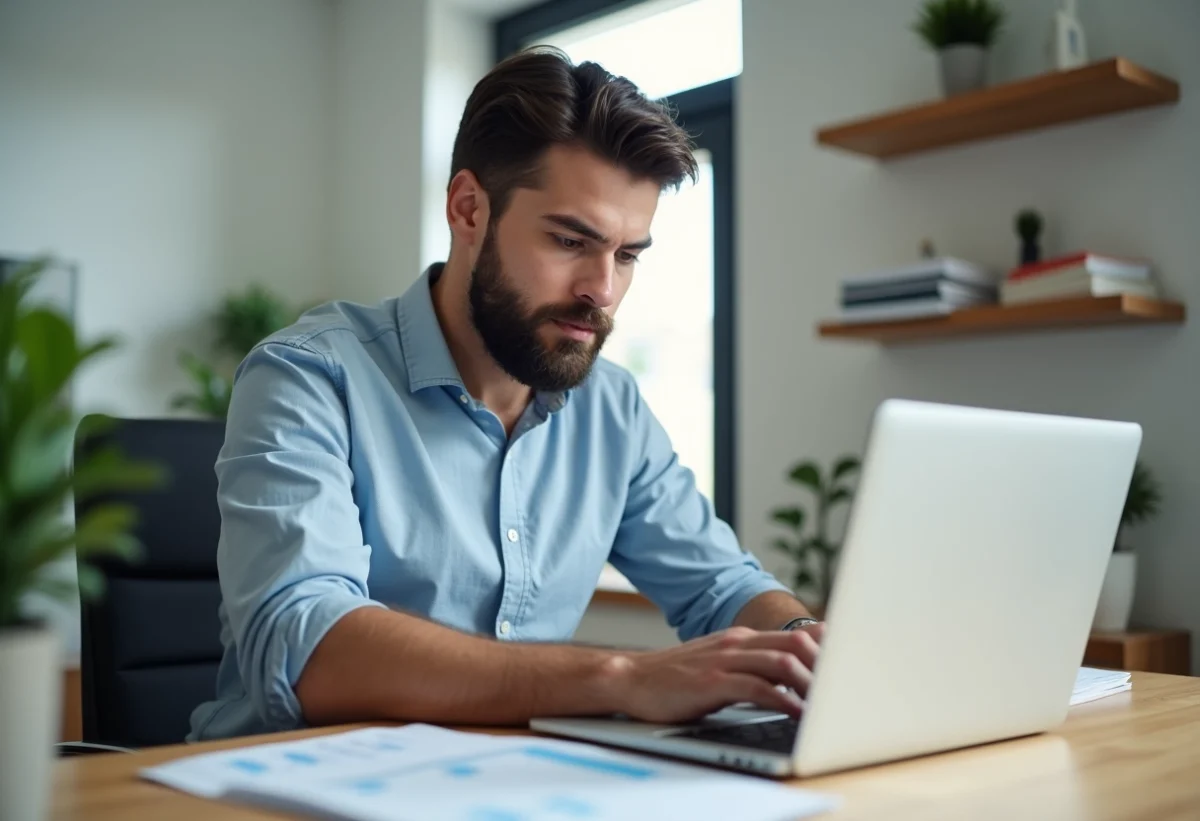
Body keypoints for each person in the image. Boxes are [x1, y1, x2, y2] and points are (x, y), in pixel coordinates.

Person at [188, 47, 821, 743]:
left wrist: (800, 643)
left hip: (509, 787)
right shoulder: (309, 376)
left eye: (628, 254)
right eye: (570, 239)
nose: (602, 289)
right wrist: (620, 677)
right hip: (273, 789)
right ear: (468, 209)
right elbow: (309, 647)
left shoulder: (611, 408)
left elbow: (722, 587)